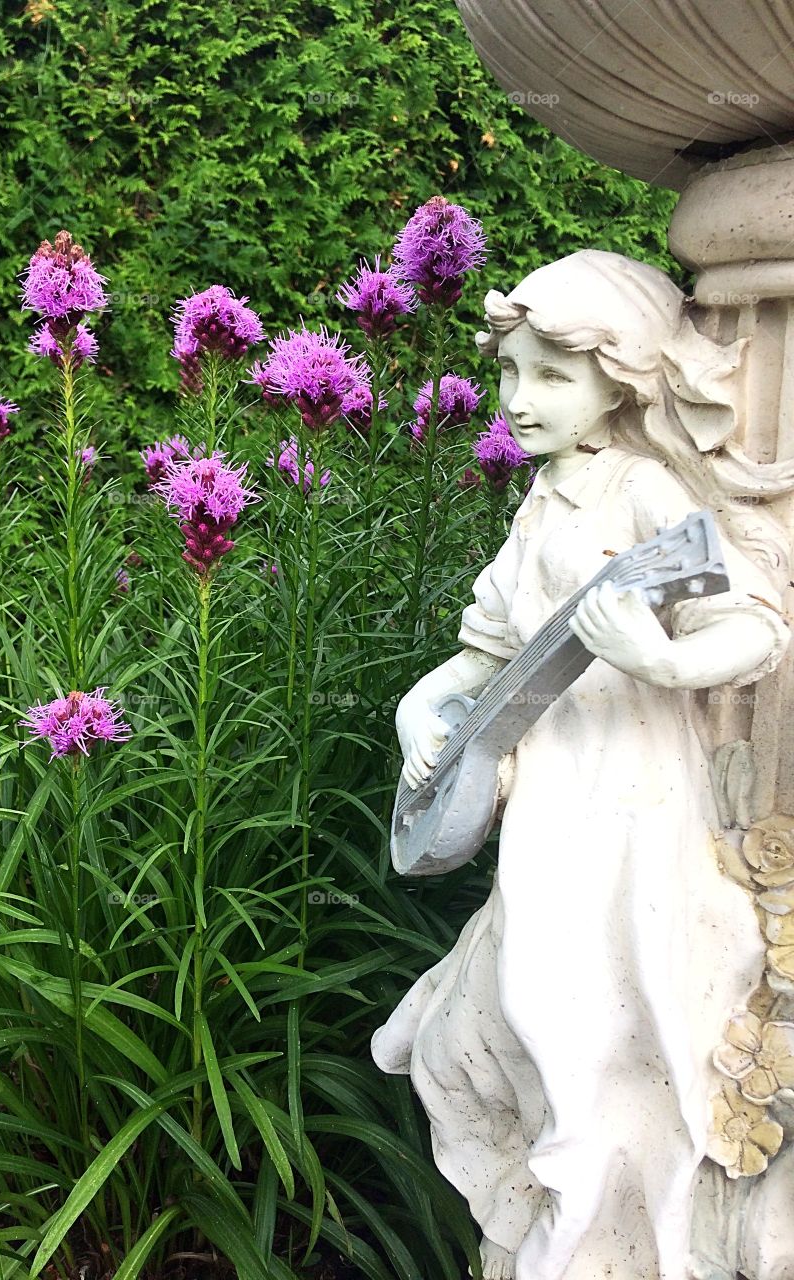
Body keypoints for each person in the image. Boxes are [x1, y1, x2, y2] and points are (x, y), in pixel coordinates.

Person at [371, 250, 794, 1280]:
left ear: (622, 381)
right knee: (516, 1012)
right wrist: (417, 713)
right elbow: (481, 656)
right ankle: (565, 1226)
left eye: (552, 376)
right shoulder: (543, 500)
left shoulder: (643, 490)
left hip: (635, 801)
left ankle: (619, 1236)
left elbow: (754, 623)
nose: (518, 399)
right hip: (549, 798)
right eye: (509, 372)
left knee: (599, 1012)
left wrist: (662, 659)